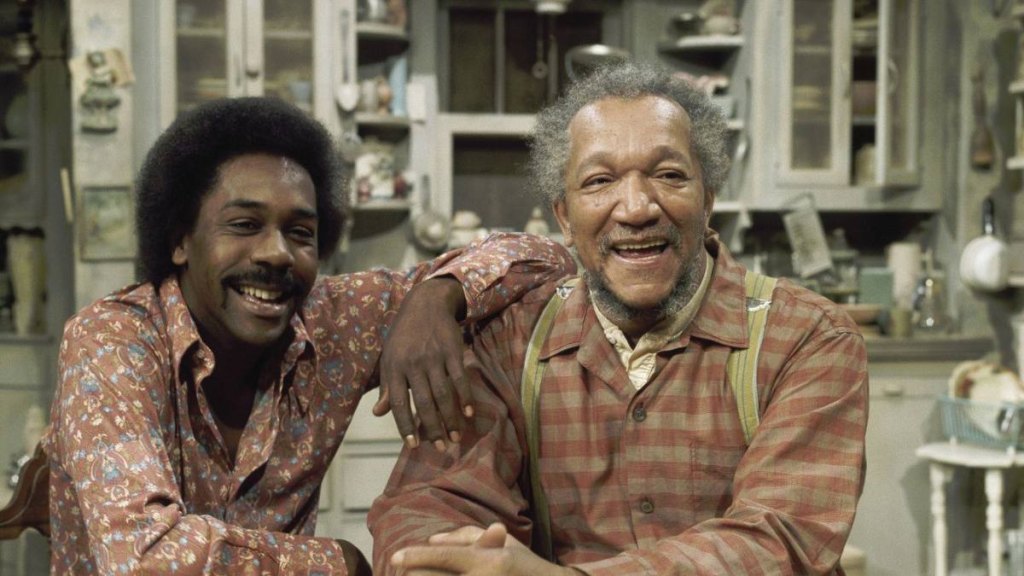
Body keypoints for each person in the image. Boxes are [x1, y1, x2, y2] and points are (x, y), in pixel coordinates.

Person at [369, 62, 869, 575]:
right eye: (600, 180)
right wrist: (433, 559)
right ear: (564, 216)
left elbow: (780, 540)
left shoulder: (806, 339)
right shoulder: (512, 342)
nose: (635, 208)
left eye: (669, 175)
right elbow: (432, 498)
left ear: (708, 199)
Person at [41, 97, 574, 575]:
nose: (277, 253)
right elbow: (144, 559)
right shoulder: (113, 340)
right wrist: (340, 563)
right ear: (180, 240)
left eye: (300, 233)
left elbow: (548, 256)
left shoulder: (335, 319)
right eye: (245, 225)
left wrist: (440, 295)